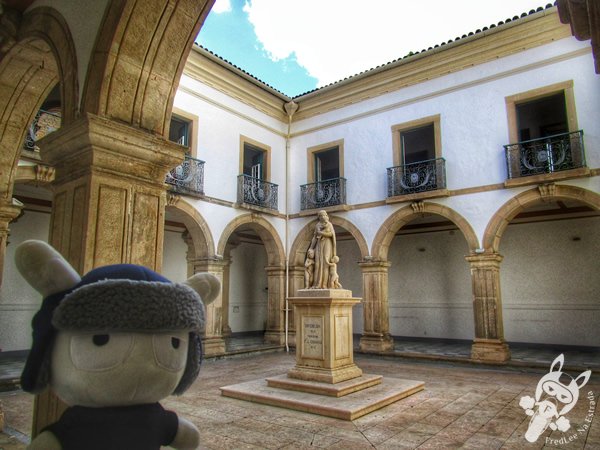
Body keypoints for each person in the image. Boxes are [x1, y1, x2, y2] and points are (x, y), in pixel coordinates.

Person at [308, 210, 338, 289]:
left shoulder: (329, 224)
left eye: (324, 215)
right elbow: (314, 237)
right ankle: (316, 284)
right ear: (319, 217)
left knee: (325, 263)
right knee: (317, 263)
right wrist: (311, 248)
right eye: (321, 216)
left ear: (326, 216)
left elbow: (331, 234)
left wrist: (321, 233)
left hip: (327, 243)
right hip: (319, 244)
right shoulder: (317, 225)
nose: (323, 217)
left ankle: (324, 285)